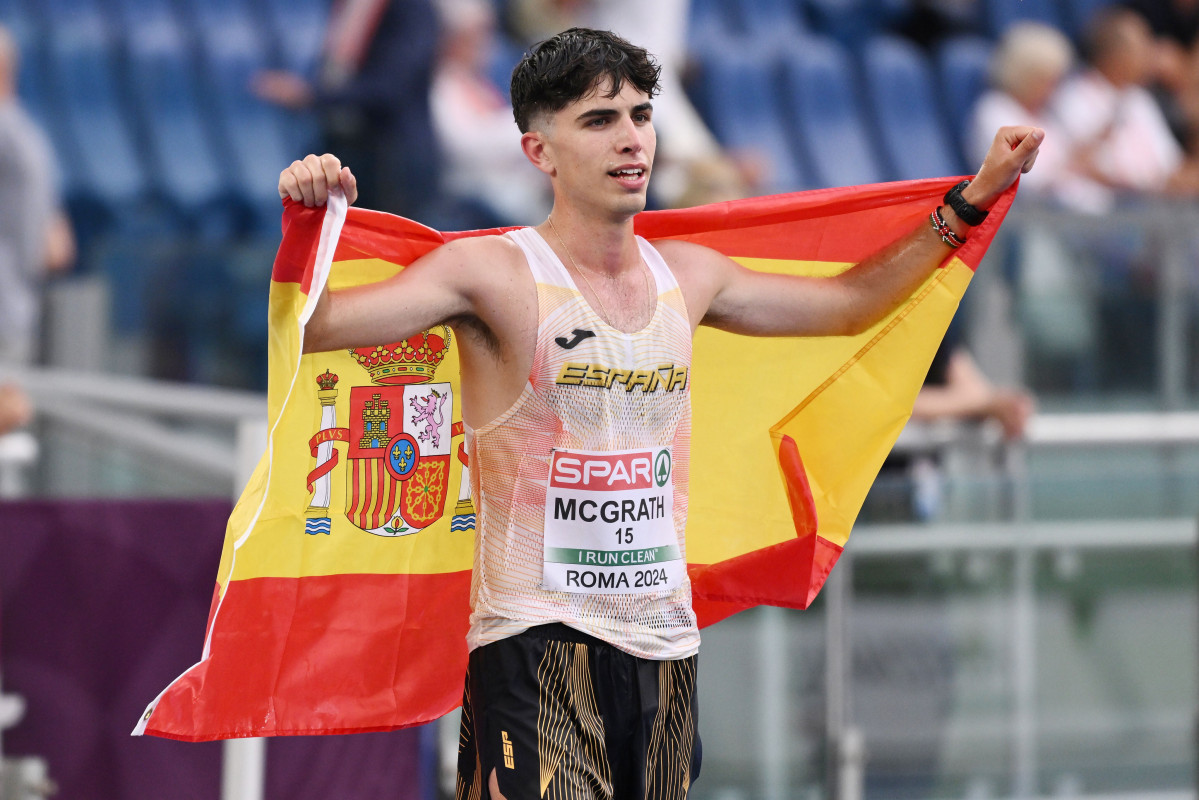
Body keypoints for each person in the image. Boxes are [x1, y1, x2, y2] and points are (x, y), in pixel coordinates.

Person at [279, 28, 1041, 800]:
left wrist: (968, 202)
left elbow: (850, 306)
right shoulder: (491, 274)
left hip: (662, 645)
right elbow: (315, 330)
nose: (631, 139)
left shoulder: (690, 275)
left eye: (641, 116)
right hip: (536, 640)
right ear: (538, 152)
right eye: (599, 120)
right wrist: (310, 227)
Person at [253, 0, 441, 218]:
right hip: (342, 150)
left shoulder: (410, 8)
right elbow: (336, 70)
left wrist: (310, 95)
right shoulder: (346, 7)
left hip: (392, 161)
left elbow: (391, 88)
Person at [0, 24, 75, 366]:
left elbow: (50, 247)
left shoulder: (12, 137)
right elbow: (56, 243)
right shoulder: (29, 134)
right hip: (16, 306)